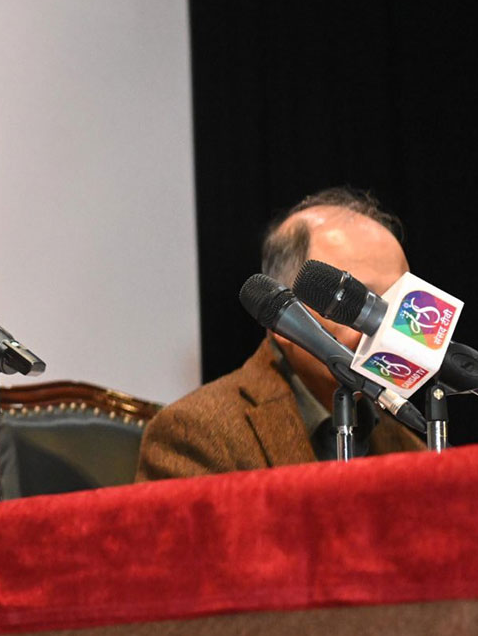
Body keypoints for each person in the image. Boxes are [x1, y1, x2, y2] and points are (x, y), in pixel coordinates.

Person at [137, 187, 424, 480]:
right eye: (362, 301)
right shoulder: (195, 433)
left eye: (401, 302)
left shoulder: (411, 449)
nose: (389, 322)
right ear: (286, 317)